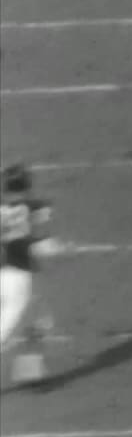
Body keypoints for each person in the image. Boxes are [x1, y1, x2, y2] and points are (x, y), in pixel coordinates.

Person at [1, 164, 67, 385]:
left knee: (42, 318)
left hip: (4, 272)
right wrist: (57, 246)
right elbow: (36, 241)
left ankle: (28, 370)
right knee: (6, 329)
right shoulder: (34, 207)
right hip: (19, 277)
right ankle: (28, 370)